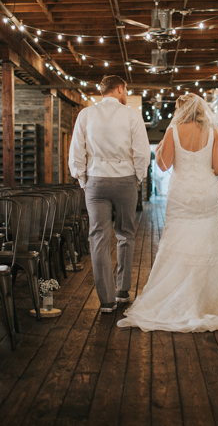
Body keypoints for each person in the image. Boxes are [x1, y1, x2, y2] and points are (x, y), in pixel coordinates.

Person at [117, 93, 218, 332]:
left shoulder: (173, 132)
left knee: (178, 237)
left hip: (182, 193)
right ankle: (208, 297)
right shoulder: (213, 132)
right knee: (208, 239)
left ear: (180, 111)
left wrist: (161, 150)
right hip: (207, 192)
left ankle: (179, 294)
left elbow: (164, 165)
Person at [69, 75, 150, 313]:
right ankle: (123, 291)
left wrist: (82, 178)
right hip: (125, 179)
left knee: (98, 238)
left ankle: (105, 301)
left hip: (95, 179)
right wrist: (138, 176)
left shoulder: (86, 114)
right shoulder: (132, 114)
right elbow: (142, 152)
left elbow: (76, 149)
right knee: (126, 233)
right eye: (125, 90)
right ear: (120, 88)